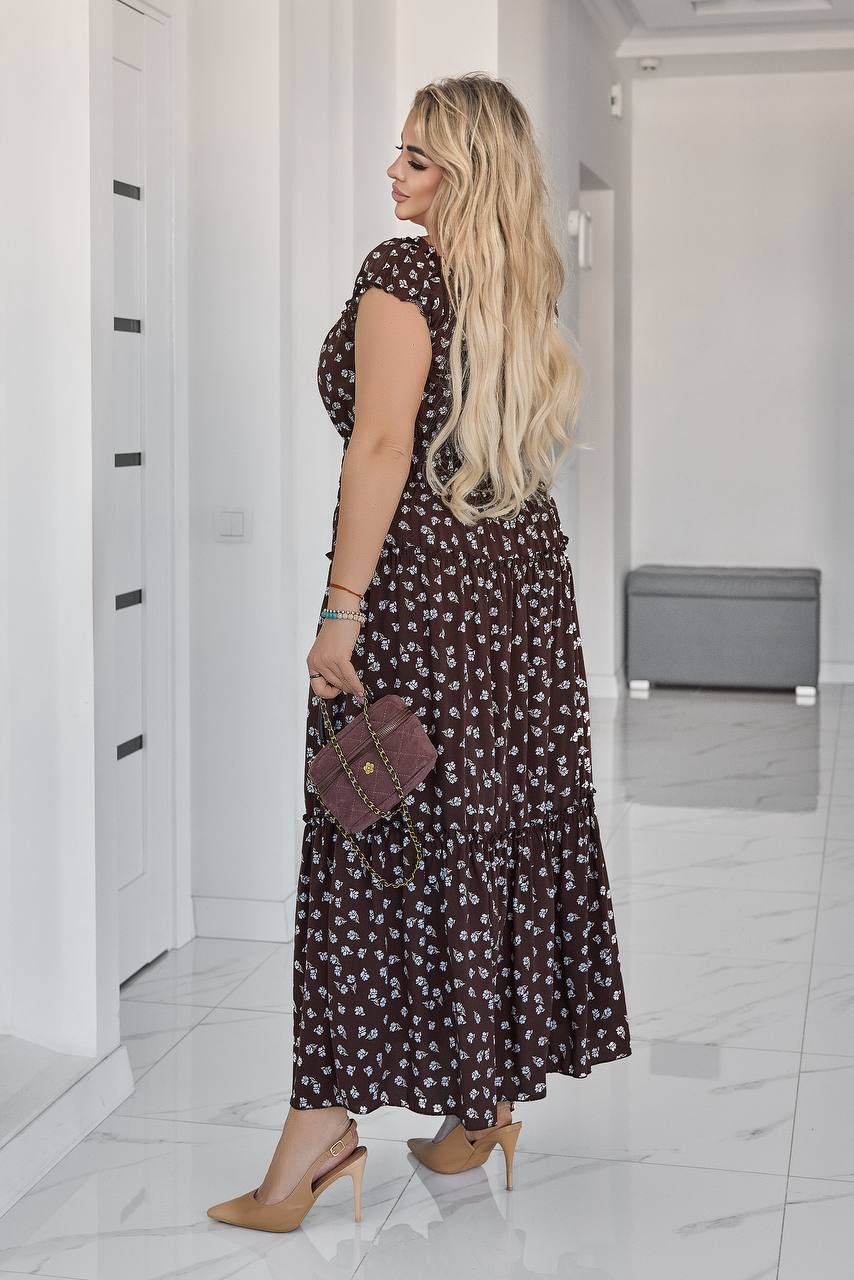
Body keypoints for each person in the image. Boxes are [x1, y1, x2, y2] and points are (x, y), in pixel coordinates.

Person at [208, 71, 631, 1234]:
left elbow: (382, 443)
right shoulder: (515, 285)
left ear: (465, 176)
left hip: (424, 602)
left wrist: (340, 609)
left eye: (416, 159)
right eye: (397, 153)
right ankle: (475, 1108)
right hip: (519, 597)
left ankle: (315, 1136)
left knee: (372, 829)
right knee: (485, 824)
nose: (392, 174)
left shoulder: (401, 272)